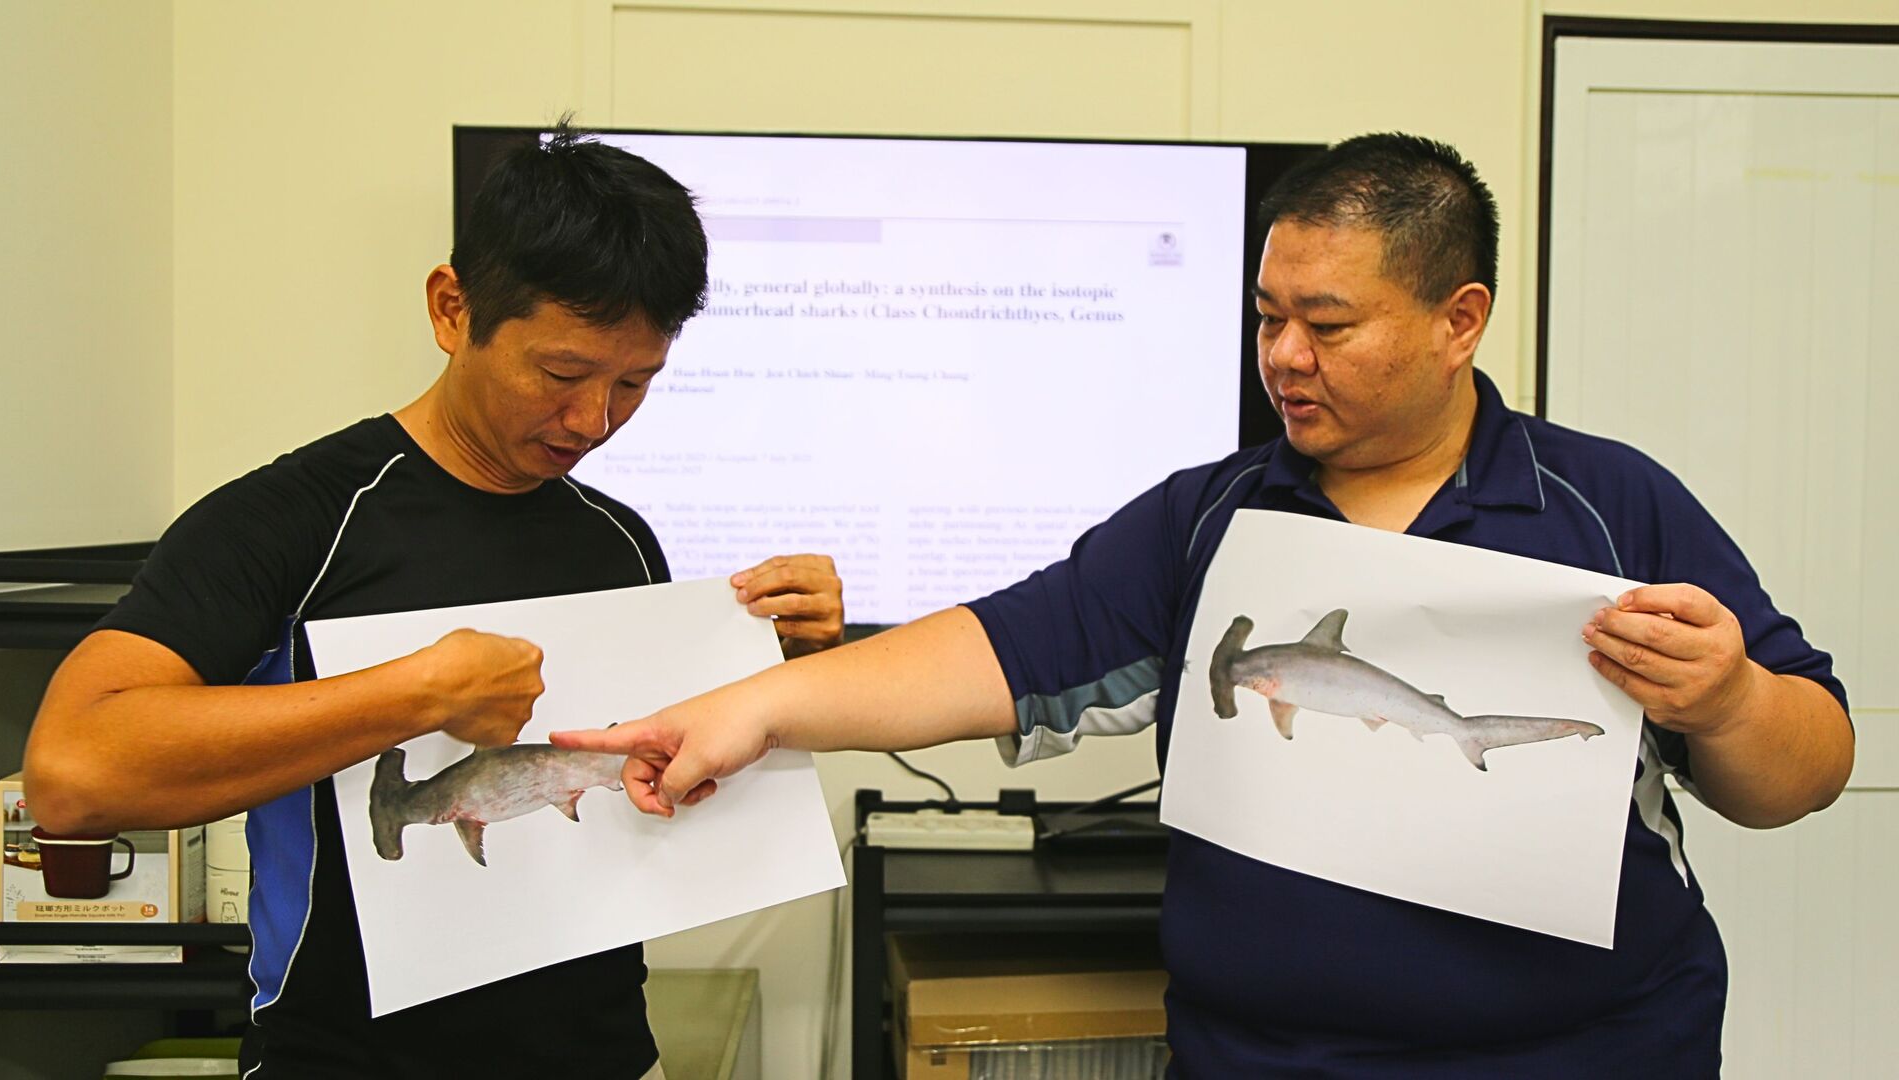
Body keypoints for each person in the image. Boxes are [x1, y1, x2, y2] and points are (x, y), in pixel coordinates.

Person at [557, 133, 1854, 1077]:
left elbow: (1802, 769)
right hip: (1259, 1059)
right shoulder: (1209, 516)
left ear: (1461, 320)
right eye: (1266, 317)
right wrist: (756, 708)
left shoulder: (1605, 506)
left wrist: (1733, 698)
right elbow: (1001, 649)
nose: (1285, 357)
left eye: (1330, 325)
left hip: (1588, 1057)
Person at [22, 127, 844, 1079]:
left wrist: (774, 671)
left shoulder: (618, 537)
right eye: (563, 374)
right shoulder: (292, 521)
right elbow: (74, 772)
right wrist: (416, 695)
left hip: (608, 1056)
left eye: (635, 383)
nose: (594, 421)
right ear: (452, 309)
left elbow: (644, 780)